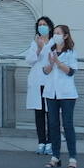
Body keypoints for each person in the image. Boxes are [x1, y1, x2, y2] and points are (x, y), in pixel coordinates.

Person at [42, 24, 79, 168]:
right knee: (53, 125)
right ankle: (55, 157)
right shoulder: (49, 50)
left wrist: (58, 62)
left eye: (58, 33)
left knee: (68, 125)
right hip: (51, 92)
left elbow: (70, 72)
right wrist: (51, 64)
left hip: (67, 93)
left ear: (65, 36)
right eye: (54, 33)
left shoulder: (71, 52)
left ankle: (72, 158)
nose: (55, 35)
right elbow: (45, 71)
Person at [23, 15, 55, 155]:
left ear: (49, 27)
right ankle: (41, 142)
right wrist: (38, 49)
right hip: (37, 81)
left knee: (51, 114)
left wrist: (43, 48)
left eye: (44, 24)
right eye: (39, 24)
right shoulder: (34, 42)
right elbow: (29, 60)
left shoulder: (54, 42)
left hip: (50, 81)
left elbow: (53, 58)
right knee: (39, 114)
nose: (41, 26)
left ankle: (50, 142)